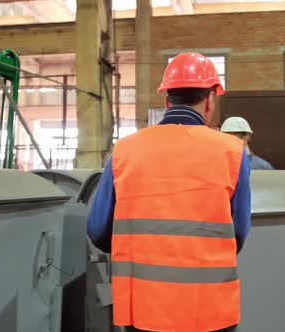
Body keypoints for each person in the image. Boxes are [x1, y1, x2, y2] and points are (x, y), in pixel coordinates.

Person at [87, 52, 251, 332]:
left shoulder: (125, 150)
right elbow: (237, 234)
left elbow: (98, 230)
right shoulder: (233, 152)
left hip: (142, 308)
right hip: (209, 310)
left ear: (167, 100)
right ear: (211, 99)